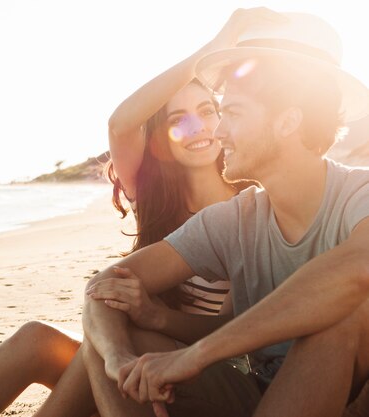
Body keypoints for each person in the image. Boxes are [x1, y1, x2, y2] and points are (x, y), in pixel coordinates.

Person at [0, 9, 272, 417]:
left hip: (205, 366)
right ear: (162, 139)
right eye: (178, 119)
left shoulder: (251, 204)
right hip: (129, 358)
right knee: (37, 340)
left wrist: (155, 317)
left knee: (106, 345)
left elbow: (234, 326)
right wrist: (215, 47)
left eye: (208, 111)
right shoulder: (152, 197)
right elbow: (121, 123)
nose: (199, 127)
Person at [82, 9, 369, 417]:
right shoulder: (237, 217)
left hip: (345, 395)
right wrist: (119, 359)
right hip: (257, 393)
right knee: (117, 333)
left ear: (288, 121)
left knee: (339, 320)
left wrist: (198, 354)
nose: (217, 132)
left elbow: (355, 271)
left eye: (231, 113)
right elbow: (105, 286)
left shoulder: (360, 193)